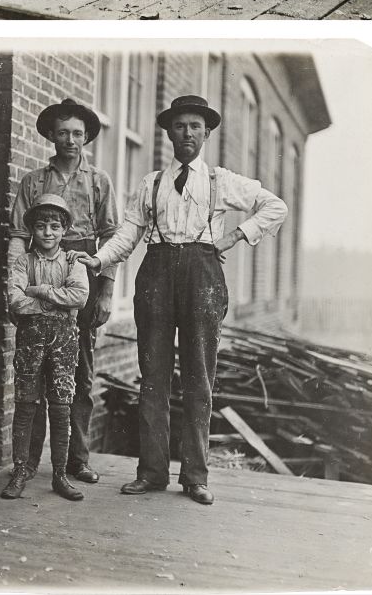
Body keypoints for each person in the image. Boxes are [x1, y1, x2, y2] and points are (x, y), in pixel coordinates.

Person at [79, 95, 288, 506]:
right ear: (169, 133)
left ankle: (195, 476)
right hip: (156, 276)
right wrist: (99, 258)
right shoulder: (152, 183)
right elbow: (129, 233)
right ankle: (151, 472)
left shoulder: (220, 181)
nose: (187, 133)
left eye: (195, 126)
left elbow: (274, 206)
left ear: (206, 133)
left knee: (199, 378)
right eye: (179, 126)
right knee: (153, 378)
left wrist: (234, 236)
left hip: (202, 277)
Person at [10, 98, 119, 488]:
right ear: (51, 137)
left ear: (86, 136)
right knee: (36, 370)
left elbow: (111, 238)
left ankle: (76, 459)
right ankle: (28, 462)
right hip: (39, 269)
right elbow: (19, 236)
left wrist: (106, 292)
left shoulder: (98, 181)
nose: (70, 140)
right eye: (62, 133)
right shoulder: (34, 182)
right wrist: (16, 284)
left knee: (80, 372)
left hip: (82, 273)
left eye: (77, 133)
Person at [0, 195, 89, 502]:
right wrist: (52, 302)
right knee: (26, 403)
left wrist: (39, 291)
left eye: (54, 226)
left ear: (64, 229)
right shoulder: (23, 262)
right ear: (32, 230)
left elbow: (79, 296)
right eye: (40, 226)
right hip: (30, 339)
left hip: (64, 340)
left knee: (61, 406)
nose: (47, 232)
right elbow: (16, 301)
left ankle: (60, 475)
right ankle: (20, 470)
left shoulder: (73, 262)